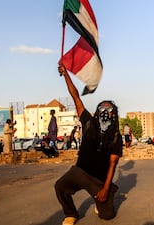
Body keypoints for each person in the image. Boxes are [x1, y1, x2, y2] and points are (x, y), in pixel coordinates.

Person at [55, 64, 123, 225]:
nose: (105, 113)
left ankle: (106, 196)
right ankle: (71, 214)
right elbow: (76, 97)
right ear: (97, 112)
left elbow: (112, 165)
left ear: (114, 116)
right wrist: (65, 75)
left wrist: (105, 189)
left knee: (107, 216)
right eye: (102, 109)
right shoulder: (88, 122)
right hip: (80, 172)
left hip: (98, 181)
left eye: (109, 110)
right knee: (60, 187)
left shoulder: (115, 136)